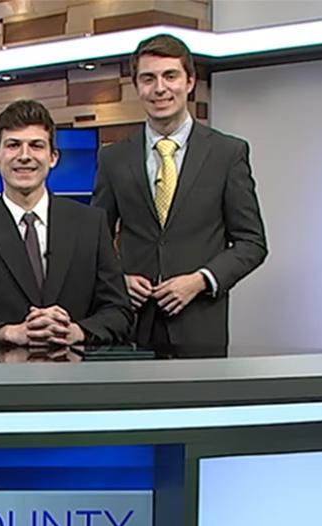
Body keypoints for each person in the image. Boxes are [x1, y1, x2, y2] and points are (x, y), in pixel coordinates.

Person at [93, 34, 268, 355]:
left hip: (200, 325)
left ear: (189, 82)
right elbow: (95, 240)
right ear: (137, 87)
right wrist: (119, 281)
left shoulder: (227, 153)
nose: (159, 88)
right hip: (131, 325)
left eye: (170, 76)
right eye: (148, 78)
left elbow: (252, 243)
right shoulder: (113, 158)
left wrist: (201, 280)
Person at [0, 99, 132, 347]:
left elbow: (120, 312)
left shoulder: (90, 224)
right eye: (13, 145)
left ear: (53, 157)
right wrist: (5, 332)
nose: (24, 156)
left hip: (76, 378)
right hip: (2, 379)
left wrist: (75, 331)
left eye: (36, 146)